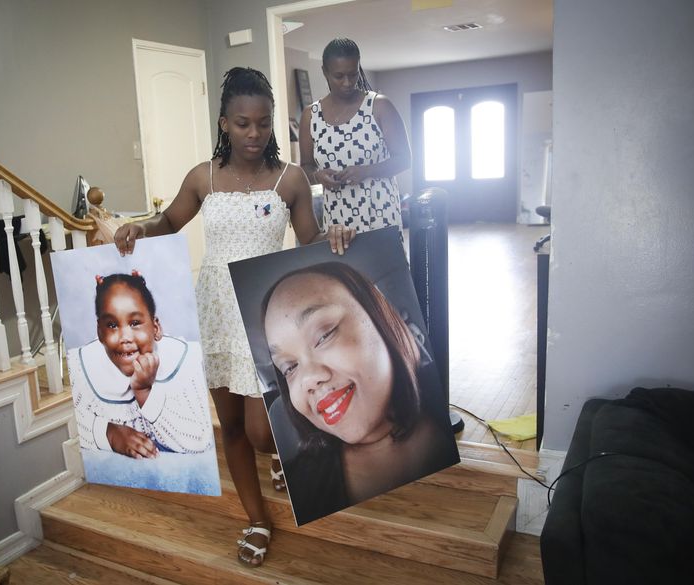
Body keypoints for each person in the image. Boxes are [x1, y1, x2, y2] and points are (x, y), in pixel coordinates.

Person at [114, 67, 355, 566]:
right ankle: (256, 517)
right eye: (243, 123)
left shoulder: (291, 180)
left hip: (264, 314)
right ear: (225, 123)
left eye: (264, 124)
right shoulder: (204, 176)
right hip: (216, 315)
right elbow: (168, 221)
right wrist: (139, 227)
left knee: (264, 432)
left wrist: (332, 234)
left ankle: (280, 461)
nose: (254, 134)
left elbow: (308, 239)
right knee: (231, 426)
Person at [261, 262, 458, 524]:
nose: (308, 379)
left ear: (380, 319)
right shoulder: (304, 483)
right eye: (290, 367)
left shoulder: (449, 413)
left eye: (324, 335)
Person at [69, 271, 212, 458]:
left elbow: (198, 441)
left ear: (156, 328)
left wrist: (144, 391)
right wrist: (110, 433)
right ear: (99, 332)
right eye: (112, 325)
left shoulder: (185, 359)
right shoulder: (81, 365)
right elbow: (70, 425)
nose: (125, 338)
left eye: (135, 322)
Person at [299, 38, 411, 236]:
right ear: (325, 71)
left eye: (353, 74)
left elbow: (404, 159)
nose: (347, 82)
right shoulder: (311, 115)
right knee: (342, 268)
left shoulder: (379, 106)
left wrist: (367, 171)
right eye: (339, 76)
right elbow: (305, 167)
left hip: (380, 215)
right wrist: (318, 176)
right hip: (337, 223)